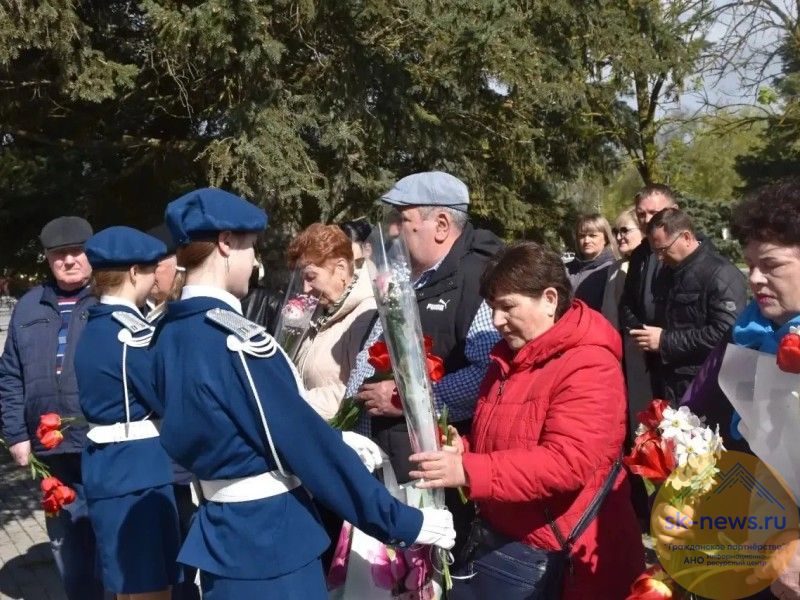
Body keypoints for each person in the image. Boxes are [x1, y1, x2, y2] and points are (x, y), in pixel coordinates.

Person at [152, 187, 455, 598]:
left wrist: (336, 437)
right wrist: (403, 521)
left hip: (222, 529)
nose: (253, 261)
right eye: (250, 247)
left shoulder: (169, 332)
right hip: (270, 541)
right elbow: (303, 446)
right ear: (225, 243)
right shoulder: (238, 341)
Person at [408, 242, 644, 599]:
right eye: (493, 308)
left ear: (549, 299)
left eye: (508, 307)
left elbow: (567, 462)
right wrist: (465, 448)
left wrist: (467, 470)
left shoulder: (588, 364)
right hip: (505, 543)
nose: (497, 320)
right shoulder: (510, 357)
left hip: (557, 558)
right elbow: (509, 437)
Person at [654, 183, 800, 598]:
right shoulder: (745, 336)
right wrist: (683, 497)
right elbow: (695, 419)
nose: (754, 278)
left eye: (771, 265)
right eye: (750, 264)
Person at [0, 216, 105, 600]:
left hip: (102, 441)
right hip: (50, 449)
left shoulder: (109, 299)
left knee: (108, 534)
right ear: (47, 258)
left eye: (77, 251)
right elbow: (10, 374)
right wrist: (16, 434)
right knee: (66, 539)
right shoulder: (29, 306)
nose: (69, 260)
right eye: (59, 254)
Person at [74, 226, 181, 600]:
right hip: (137, 472)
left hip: (109, 466)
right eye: (151, 270)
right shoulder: (132, 332)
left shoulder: (95, 323)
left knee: (128, 586)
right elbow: (166, 397)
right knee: (150, 588)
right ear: (135, 272)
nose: (155, 279)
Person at [630, 208, 747, 403]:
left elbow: (726, 333)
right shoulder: (668, 272)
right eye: (655, 251)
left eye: (663, 249)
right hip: (671, 384)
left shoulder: (721, 274)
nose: (659, 258)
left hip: (705, 386)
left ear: (686, 237)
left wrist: (665, 341)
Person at [144, 223, 200, 600]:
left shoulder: (182, 318)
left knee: (183, 565)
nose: (147, 275)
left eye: (155, 266)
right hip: (160, 462)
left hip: (186, 466)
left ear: (176, 266)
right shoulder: (149, 316)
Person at [286, 223, 377, 420]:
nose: (305, 288)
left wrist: (291, 400)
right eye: (301, 279)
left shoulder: (366, 315)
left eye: (311, 277)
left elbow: (356, 392)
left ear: (341, 269)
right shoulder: (320, 310)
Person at [619, 184, 679, 397]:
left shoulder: (691, 252)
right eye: (641, 214)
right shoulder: (639, 255)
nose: (646, 219)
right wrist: (642, 331)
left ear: (674, 210)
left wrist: (665, 339)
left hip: (684, 361)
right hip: (652, 359)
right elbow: (627, 301)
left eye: (654, 212)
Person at [566, 213, 620, 311]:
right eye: (582, 236)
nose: (586, 240)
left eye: (592, 235)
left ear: (606, 239)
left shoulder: (612, 270)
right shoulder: (567, 269)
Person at [144, 223, 184, 323]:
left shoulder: (185, 312)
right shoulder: (136, 305)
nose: (147, 272)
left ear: (179, 265)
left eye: (156, 266)